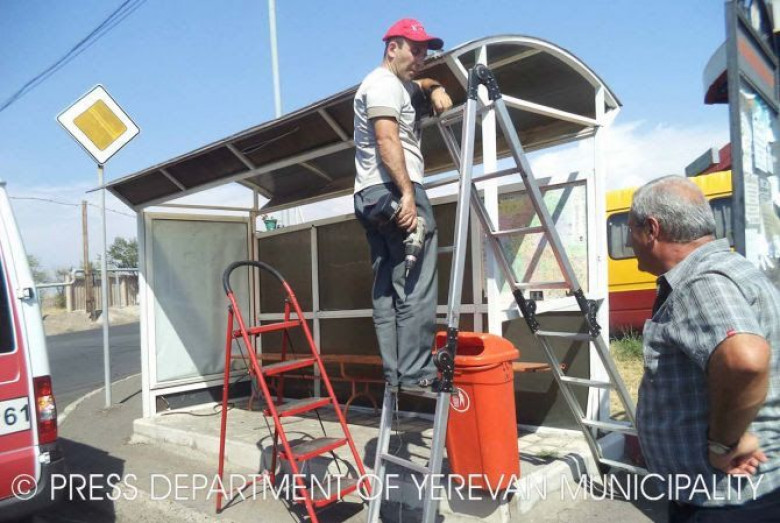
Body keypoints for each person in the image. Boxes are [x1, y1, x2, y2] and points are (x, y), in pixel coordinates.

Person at [629, 175, 780, 521]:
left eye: (631, 230)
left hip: (726, 501)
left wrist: (724, 443)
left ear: (651, 229)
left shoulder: (701, 281)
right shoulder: (733, 267)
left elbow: (745, 360)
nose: (628, 242)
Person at [353, 18, 452, 393]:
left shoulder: (395, 84)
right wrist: (407, 193)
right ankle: (417, 373)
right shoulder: (383, 84)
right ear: (392, 48)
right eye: (415, 50)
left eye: (426, 52)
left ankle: (395, 373)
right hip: (394, 189)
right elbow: (386, 138)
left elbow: (421, 84)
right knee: (416, 281)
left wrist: (436, 86)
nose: (421, 58)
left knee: (387, 286)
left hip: (370, 196)